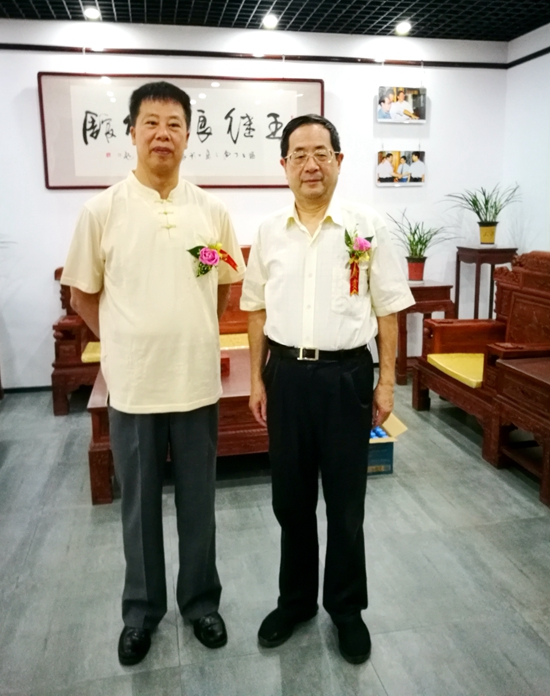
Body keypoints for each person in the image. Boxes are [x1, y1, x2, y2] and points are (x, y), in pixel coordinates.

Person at [61, 81, 245, 666]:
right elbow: (82, 293)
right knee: (137, 507)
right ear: (132, 133)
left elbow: (223, 287)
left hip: (196, 382)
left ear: (189, 136)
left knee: (199, 504)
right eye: (151, 123)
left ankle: (201, 603)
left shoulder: (212, 212)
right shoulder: (102, 211)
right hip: (134, 386)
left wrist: (192, 327)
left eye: (174, 124)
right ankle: (140, 613)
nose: (163, 134)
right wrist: (122, 338)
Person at [240, 114, 414, 664]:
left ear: (339, 160)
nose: (310, 164)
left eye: (321, 153)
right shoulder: (269, 231)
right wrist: (256, 378)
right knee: (290, 502)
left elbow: (388, 309)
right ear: (284, 165)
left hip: (346, 378)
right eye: (299, 154)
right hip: (287, 378)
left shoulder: (368, 227)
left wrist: (386, 383)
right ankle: (294, 603)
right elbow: (254, 309)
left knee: (345, 505)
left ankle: (346, 609)